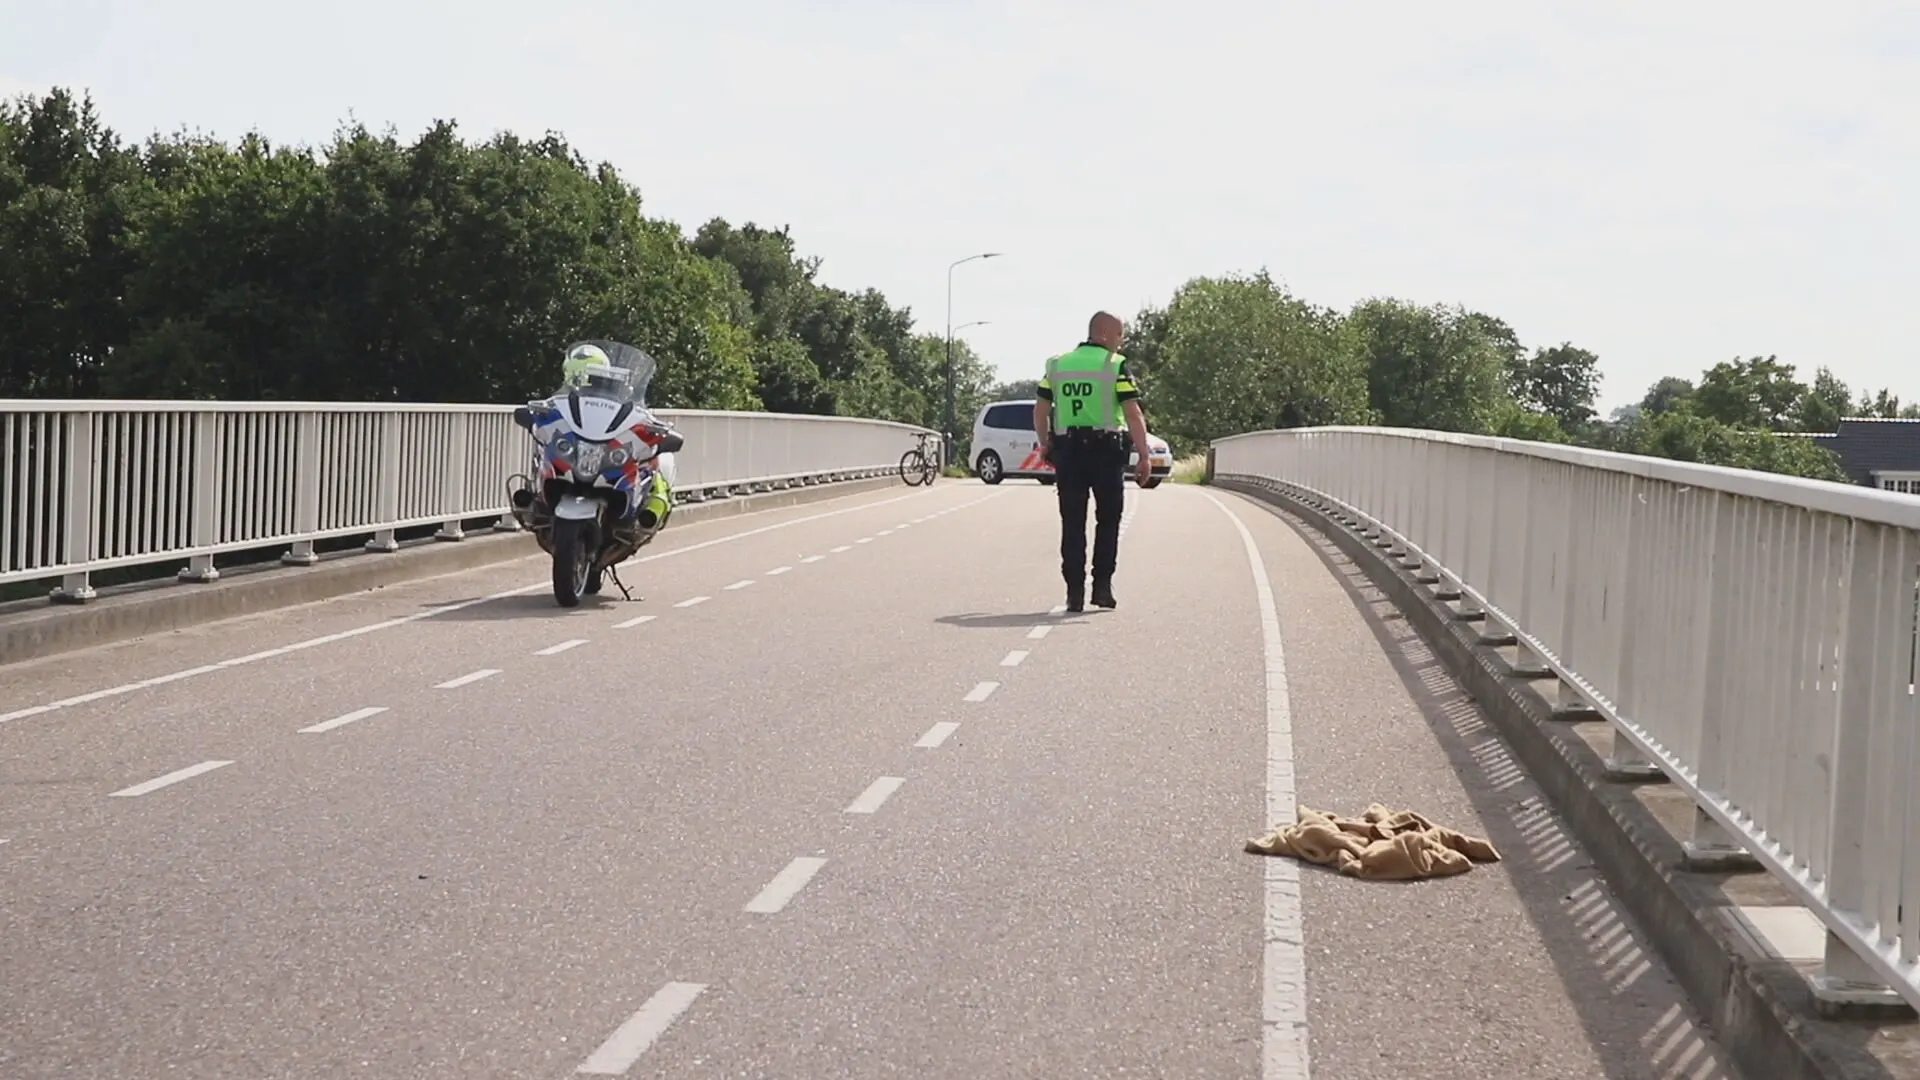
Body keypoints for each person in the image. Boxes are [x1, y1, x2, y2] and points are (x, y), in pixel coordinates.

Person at [1033, 310, 1153, 612]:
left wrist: (1045, 443)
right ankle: (1102, 586)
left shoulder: (1057, 365)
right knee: (1108, 520)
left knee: (1072, 521)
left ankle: (1074, 591)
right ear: (1103, 333)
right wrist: (1144, 455)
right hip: (1106, 452)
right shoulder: (1114, 365)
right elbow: (1132, 413)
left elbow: (1041, 409)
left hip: (1069, 451)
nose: (1121, 341)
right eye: (1119, 334)